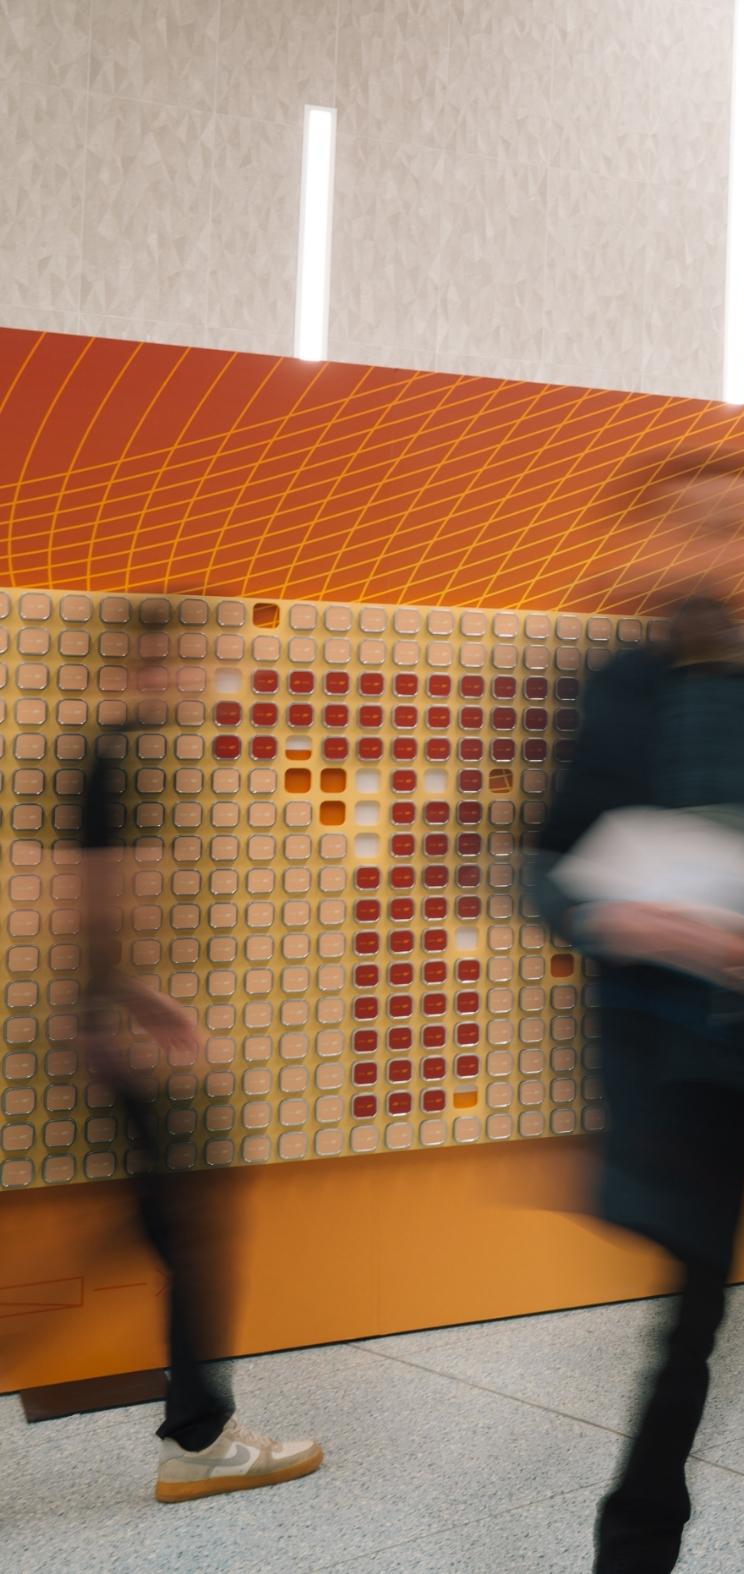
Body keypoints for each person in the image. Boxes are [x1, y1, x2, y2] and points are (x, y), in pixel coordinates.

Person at [530, 453, 744, 1573]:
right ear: (659, 536)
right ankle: (637, 1543)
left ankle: (642, 1530)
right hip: (660, 1053)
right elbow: (545, 866)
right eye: (731, 528)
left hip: (742, 1051)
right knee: (691, 1317)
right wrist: (657, 921)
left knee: (702, 1319)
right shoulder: (613, 684)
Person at [74, 600, 325, 1502]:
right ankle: (200, 1439)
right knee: (192, 1233)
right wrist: (139, 1008)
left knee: (173, 1228)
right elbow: (94, 897)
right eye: (186, 661)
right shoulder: (116, 757)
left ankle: (202, 1424)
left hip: (127, 1032)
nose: (197, 678)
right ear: (150, 663)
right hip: (132, 1039)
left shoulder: (135, 754)